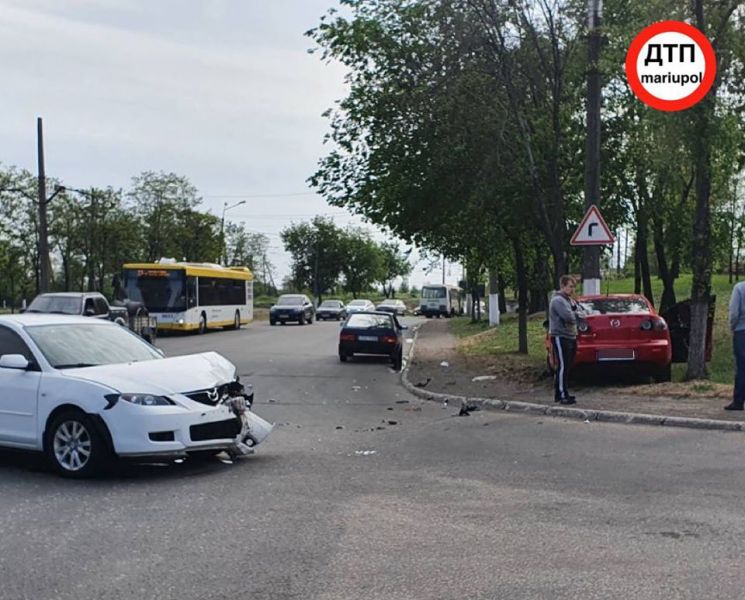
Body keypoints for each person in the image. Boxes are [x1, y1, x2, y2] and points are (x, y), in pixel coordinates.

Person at [549, 275, 582, 405]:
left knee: (567, 365)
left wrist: (577, 314)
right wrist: (576, 315)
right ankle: (562, 394)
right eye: (570, 286)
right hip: (560, 336)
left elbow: (580, 311)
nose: (572, 289)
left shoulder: (569, 300)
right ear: (563, 286)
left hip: (570, 335)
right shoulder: (558, 300)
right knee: (562, 366)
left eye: (574, 286)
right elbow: (569, 317)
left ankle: (561, 392)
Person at [726, 281, 745, 410]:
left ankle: (738, 401)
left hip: (742, 331)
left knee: (742, 367)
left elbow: (734, 312)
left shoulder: (739, 288)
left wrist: (732, 326)